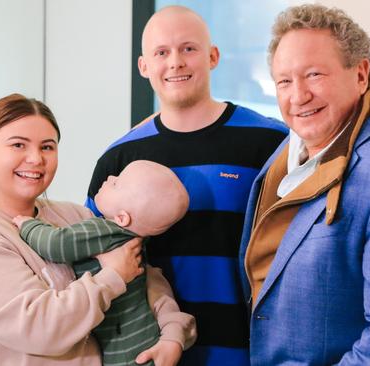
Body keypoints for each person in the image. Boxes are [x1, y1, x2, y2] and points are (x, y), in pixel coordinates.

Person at [239, 4, 370, 365]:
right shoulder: (292, 148)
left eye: (314, 74)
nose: (298, 95)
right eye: (285, 81)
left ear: (361, 73)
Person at [86, 5, 287, 365]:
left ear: (212, 56)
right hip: (147, 353)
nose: (176, 62)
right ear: (144, 66)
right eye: (162, 52)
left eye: (188, 49)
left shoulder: (270, 143)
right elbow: (93, 259)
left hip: (248, 353)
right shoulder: (117, 159)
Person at [0, 94, 196, 366]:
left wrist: (172, 333)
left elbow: (144, 279)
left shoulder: (75, 215)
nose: (35, 158)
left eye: (47, 147)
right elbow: (40, 328)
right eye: (18, 144)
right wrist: (112, 276)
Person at [14, 160, 192, 366]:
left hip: (124, 348)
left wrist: (28, 226)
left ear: (122, 217)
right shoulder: (134, 238)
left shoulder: (104, 231)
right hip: (145, 335)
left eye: (117, 183)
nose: (109, 178)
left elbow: (57, 244)